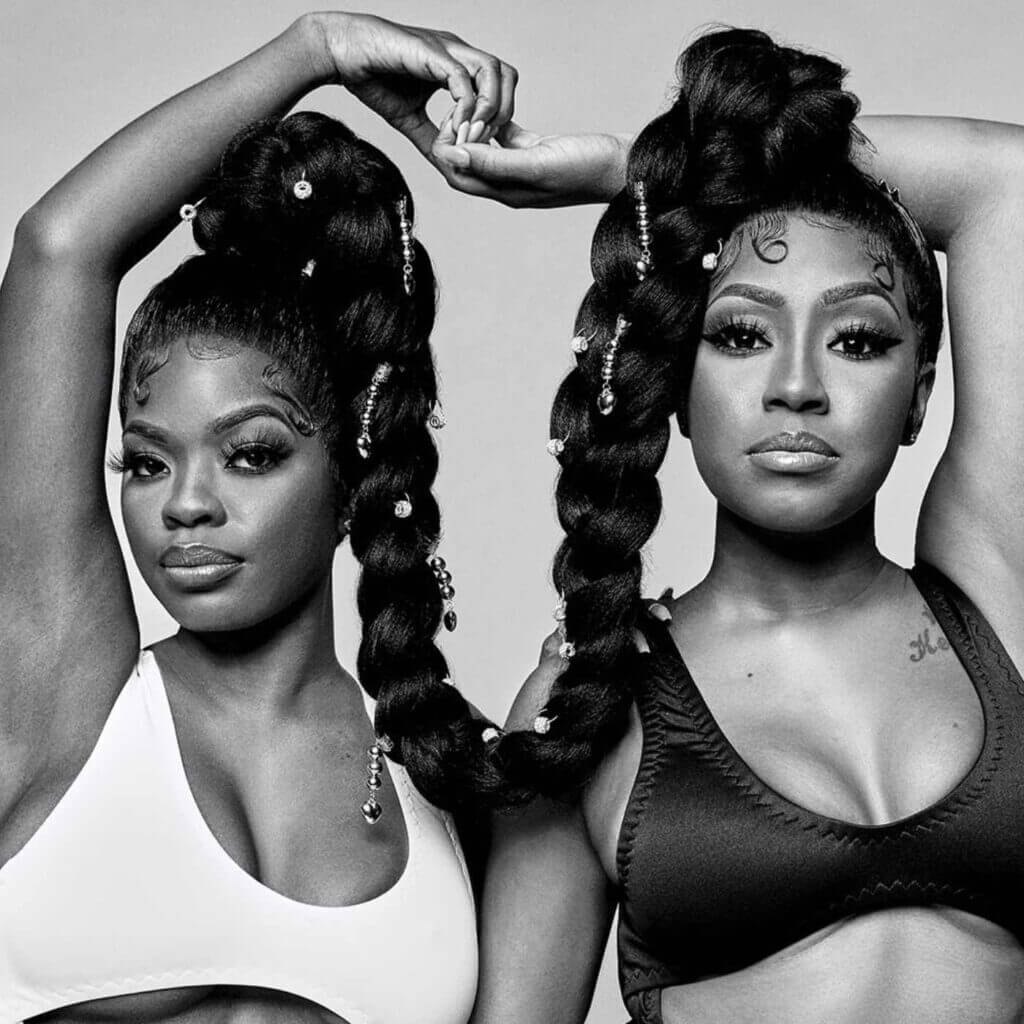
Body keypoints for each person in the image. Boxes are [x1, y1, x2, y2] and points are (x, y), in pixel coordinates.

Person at [451, 27, 1024, 1024]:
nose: (796, 386)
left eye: (855, 339)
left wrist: (639, 175)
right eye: (741, 334)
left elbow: (1004, 182)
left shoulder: (991, 598)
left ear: (919, 394)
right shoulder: (594, 694)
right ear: (676, 374)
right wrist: (669, 200)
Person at [0, 12, 518, 1024]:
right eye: (146, 460)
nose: (185, 502)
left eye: (251, 453)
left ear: (349, 473)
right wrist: (313, 50)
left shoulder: (445, 772)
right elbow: (60, 250)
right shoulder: (69, 694)